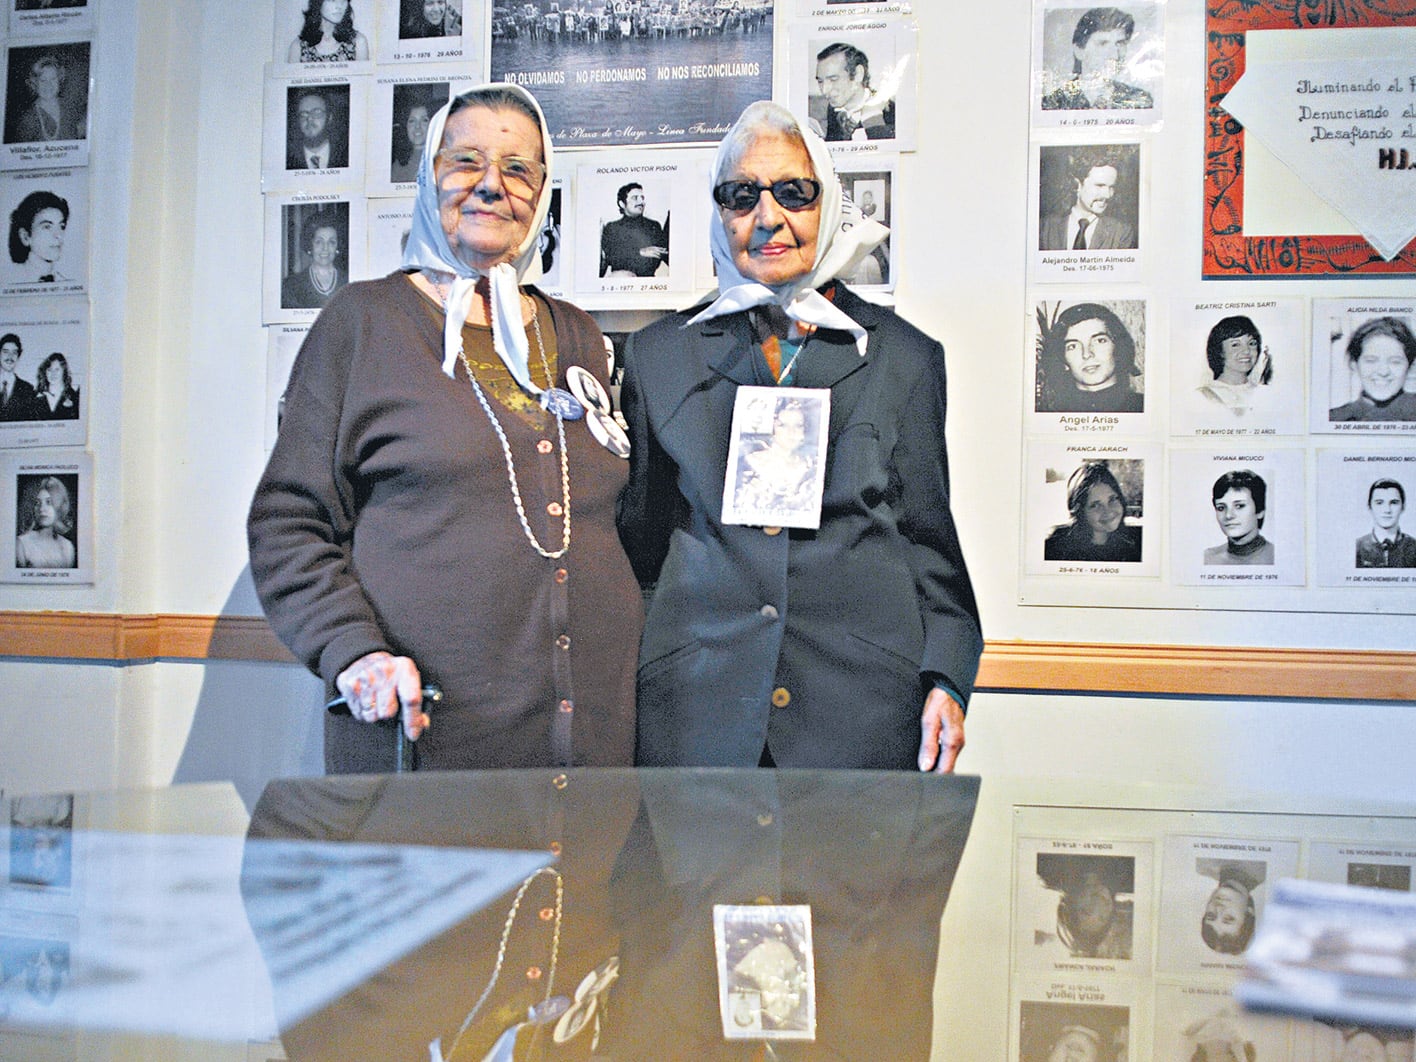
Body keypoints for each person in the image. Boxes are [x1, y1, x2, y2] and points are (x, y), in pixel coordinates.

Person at [248, 83, 640, 773]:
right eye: (466, 162)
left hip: (590, 747)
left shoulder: (575, 333)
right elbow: (289, 521)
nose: (492, 186)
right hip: (431, 735)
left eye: (518, 170)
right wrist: (353, 651)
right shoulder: (363, 323)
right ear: (430, 178)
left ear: (542, 191)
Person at [617, 100, 982, 772]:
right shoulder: (656, 357)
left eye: (794, 192)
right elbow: (640, 549)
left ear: (830, 203)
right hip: (698, 720)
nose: (768, 217)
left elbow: (929, 544)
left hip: (859, 714)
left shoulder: (904, 358)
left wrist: (947, 677)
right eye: (741, 194)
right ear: (717, 211)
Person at [1037, 302, 1144, 413]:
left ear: (1119, 347)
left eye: (1099, 341)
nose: (1087, 354)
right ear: (1063, 359)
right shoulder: (1048, 412)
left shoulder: (1144, 408)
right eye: (1073, 346)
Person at [1042, 7, 1154, 110]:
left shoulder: (1139, 100)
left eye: (1120, 43)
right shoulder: (1054, 103)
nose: (1115, 56)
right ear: (1079, 51)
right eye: (1102, 43)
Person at [1036, 854, 1134, 960]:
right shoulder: (1129, 877)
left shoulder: (1048, 868)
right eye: (1103, 917)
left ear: (1068, 905)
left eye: (1086, 911)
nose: (1098, 907)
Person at [1044, 461, 1143, 562]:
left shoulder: (1137, 541)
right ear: (1080, 512)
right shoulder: (1056, 548)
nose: (1108, 511)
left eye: (1112, 499)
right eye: (1095, 505)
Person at [1040, 154, 1136, 251]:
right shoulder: (1045, 228)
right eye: (1100, 186)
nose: (1108, 195)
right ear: (1077, 185)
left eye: (1111, 187)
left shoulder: (1121, 232)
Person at [1329, 315, 1416, 421]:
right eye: (1371, 361)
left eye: (1395, 362)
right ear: (1354, 365)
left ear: (1409, 365)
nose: (1383, 372)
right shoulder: (1335, 418)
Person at [810, 42, 895, 141]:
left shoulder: (891, 112)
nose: (824, 91)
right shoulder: (834, 110)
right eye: (820, 81)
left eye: (833, 80)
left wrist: (871, 116)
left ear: (858, 74)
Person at [1198, 315, 1272, 414]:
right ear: (1219, 351)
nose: (1246, 351)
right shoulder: (1201, 396)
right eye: (1235, 345)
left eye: (1251, 343)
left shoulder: (1265, 393)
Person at [280, 208, 347, 310]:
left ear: (338, 246)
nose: (325, 248)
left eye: (331, 242)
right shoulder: (291, 286)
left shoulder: (349, 282)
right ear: (310, 245)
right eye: (319, 242)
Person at [1204, 469, 1273, 566]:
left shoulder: (1275, 556)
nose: (1228, 515)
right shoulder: (1208, 558)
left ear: (1260, 511)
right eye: (1221, 508)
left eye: (1239, 506)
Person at [599, 182, 668, 277]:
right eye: (635, 198)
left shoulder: (654, 226)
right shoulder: (612, 227)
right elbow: (611, 257)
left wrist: (629, 255)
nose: (641, 202)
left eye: (642, 198)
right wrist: (640, 252)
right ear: (622, 204)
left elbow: (655, 261)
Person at [10, 54, 84, 143]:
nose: (48, 85)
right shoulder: (27, 119)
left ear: (60, 80)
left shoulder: (71, 108)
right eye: (43, 80)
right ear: (34, 83)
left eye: (53, 79)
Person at [8, 190, 70, 284]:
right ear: (25, 237)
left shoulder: (66, 283)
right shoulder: (11, 282)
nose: (58, 235)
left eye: (61, 226)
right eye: (47, 227)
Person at [15, 475, 76, 569]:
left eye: (49, 502)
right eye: (37, 503)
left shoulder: (67, 546)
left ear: (59, 506)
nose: (42, 509)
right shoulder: (22, 543)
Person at [1356, 477, 1416, 568]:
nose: (1387, 510)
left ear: (1403, 507)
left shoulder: (1413, 547)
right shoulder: (1357, 547)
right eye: (1379, 503)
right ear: (1369, 507)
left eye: (1394, 502)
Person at [1201, 866, 1260, 955]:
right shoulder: (1263, 869)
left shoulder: (1201, 866)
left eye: (1211, 915)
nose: (1219, 908)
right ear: (1249, 912)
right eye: (1229, 918)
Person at [286, 0, 370, 63]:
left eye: (343, 0)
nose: (339, 6)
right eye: (332, 0)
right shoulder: (298, 47)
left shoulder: (358, 43)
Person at [286, 90, 347, 170]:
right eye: (303, 114)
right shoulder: (288, 159)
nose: (309, 118)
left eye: (317, 112)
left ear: (329, 118)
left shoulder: (346, 155)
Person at [25, 352, 79, 420]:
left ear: (64, 371)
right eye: (49, 370)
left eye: (57, 369)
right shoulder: (35, 397)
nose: (53, 373)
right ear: (45, 372)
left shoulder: (74, 396)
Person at [390, 97, 433, 182]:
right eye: (412, 121)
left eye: (424, 120)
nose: (417, 126)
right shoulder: (397, 166)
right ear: (405, 126)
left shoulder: (441, 160)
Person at [0, 333, 36, 421]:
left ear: (18, 356)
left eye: (14, 352)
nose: (10, 357)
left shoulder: (28, 389)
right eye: (5, 352)